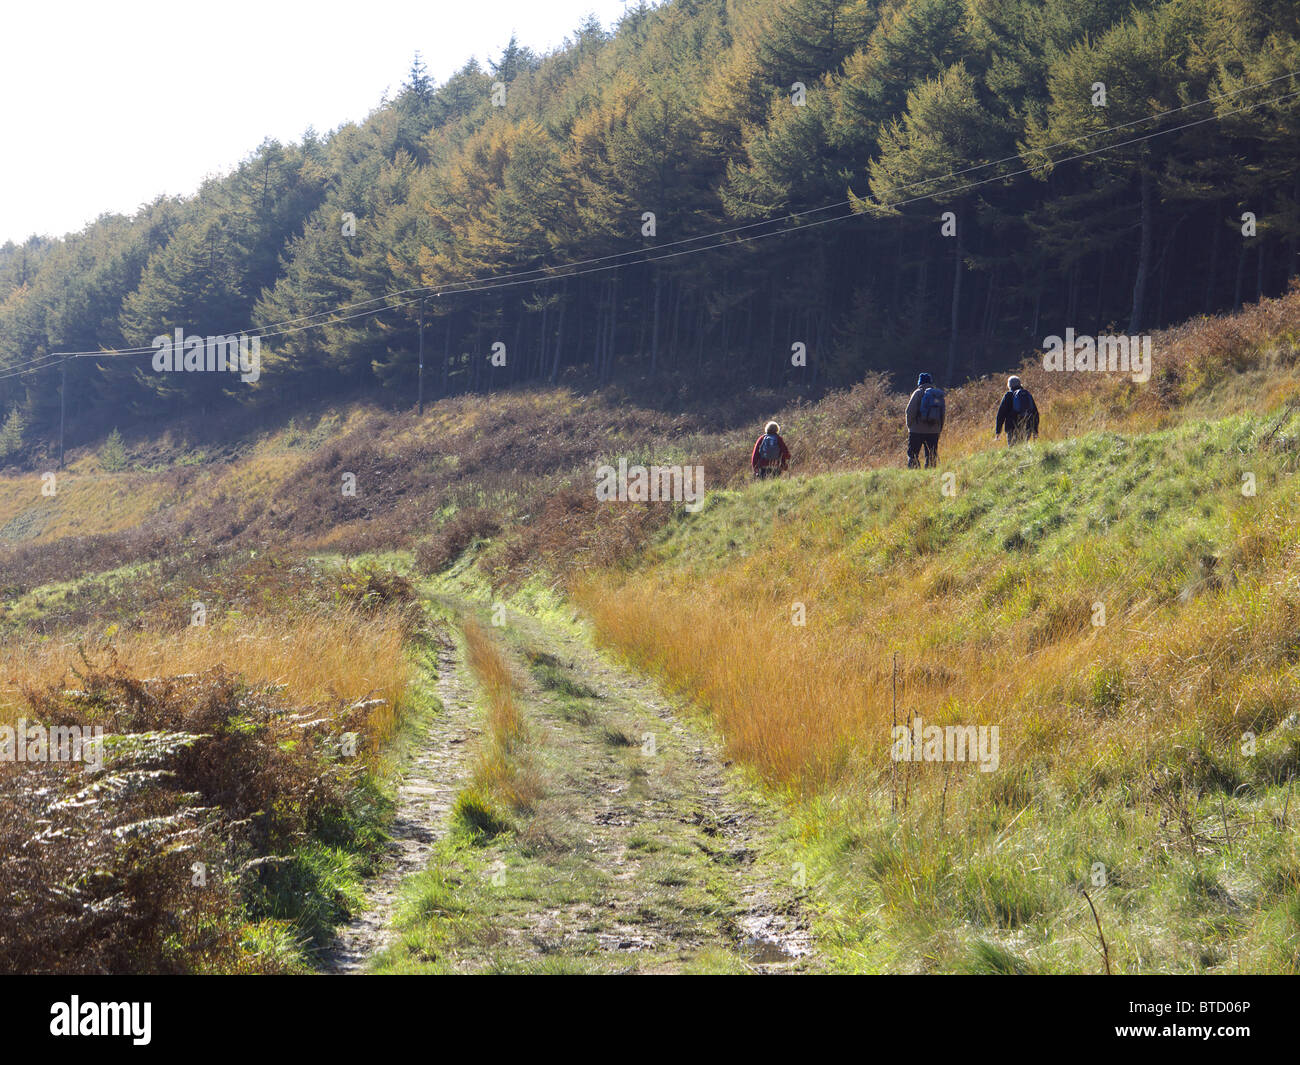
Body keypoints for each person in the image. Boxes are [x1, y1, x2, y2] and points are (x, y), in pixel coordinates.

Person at [904, 372, 945, 468]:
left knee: (913, 455)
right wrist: (939, 429)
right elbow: (942, 414)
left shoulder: (918, 393)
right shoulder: (937, 395)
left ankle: (914, 475)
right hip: (934, 431)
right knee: (931, 455)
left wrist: (910, 426)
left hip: (916, 430)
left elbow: (909, 411)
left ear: (919, 382)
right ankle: (930, 476)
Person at [995, 375, 1039, 445]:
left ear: (1009, 385)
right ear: (1020, 384)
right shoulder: (1026, 394)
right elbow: (1035, 413)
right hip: (1027, 426)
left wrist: (998, 431)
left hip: (1012, 427)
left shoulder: (1008, 395)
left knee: (1013, 449)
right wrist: (1035, 430)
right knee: (1023, 447)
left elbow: (1001, 414)